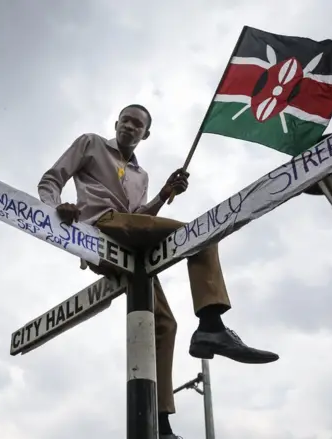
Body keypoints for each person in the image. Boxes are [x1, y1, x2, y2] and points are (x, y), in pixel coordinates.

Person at [37, 104, 279, 439]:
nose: (130, 127)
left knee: (164, 324)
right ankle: (211, 324)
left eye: (138, 125)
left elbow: (141, 217)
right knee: (202, 234)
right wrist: (56, 211)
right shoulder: (90, 143)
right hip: (100, 231)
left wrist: (165, 194)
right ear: (116, 123)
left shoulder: (141, 176)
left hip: (131, 249)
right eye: (126, 120)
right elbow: (51, 180)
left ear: (145, 135)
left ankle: (161, 426)